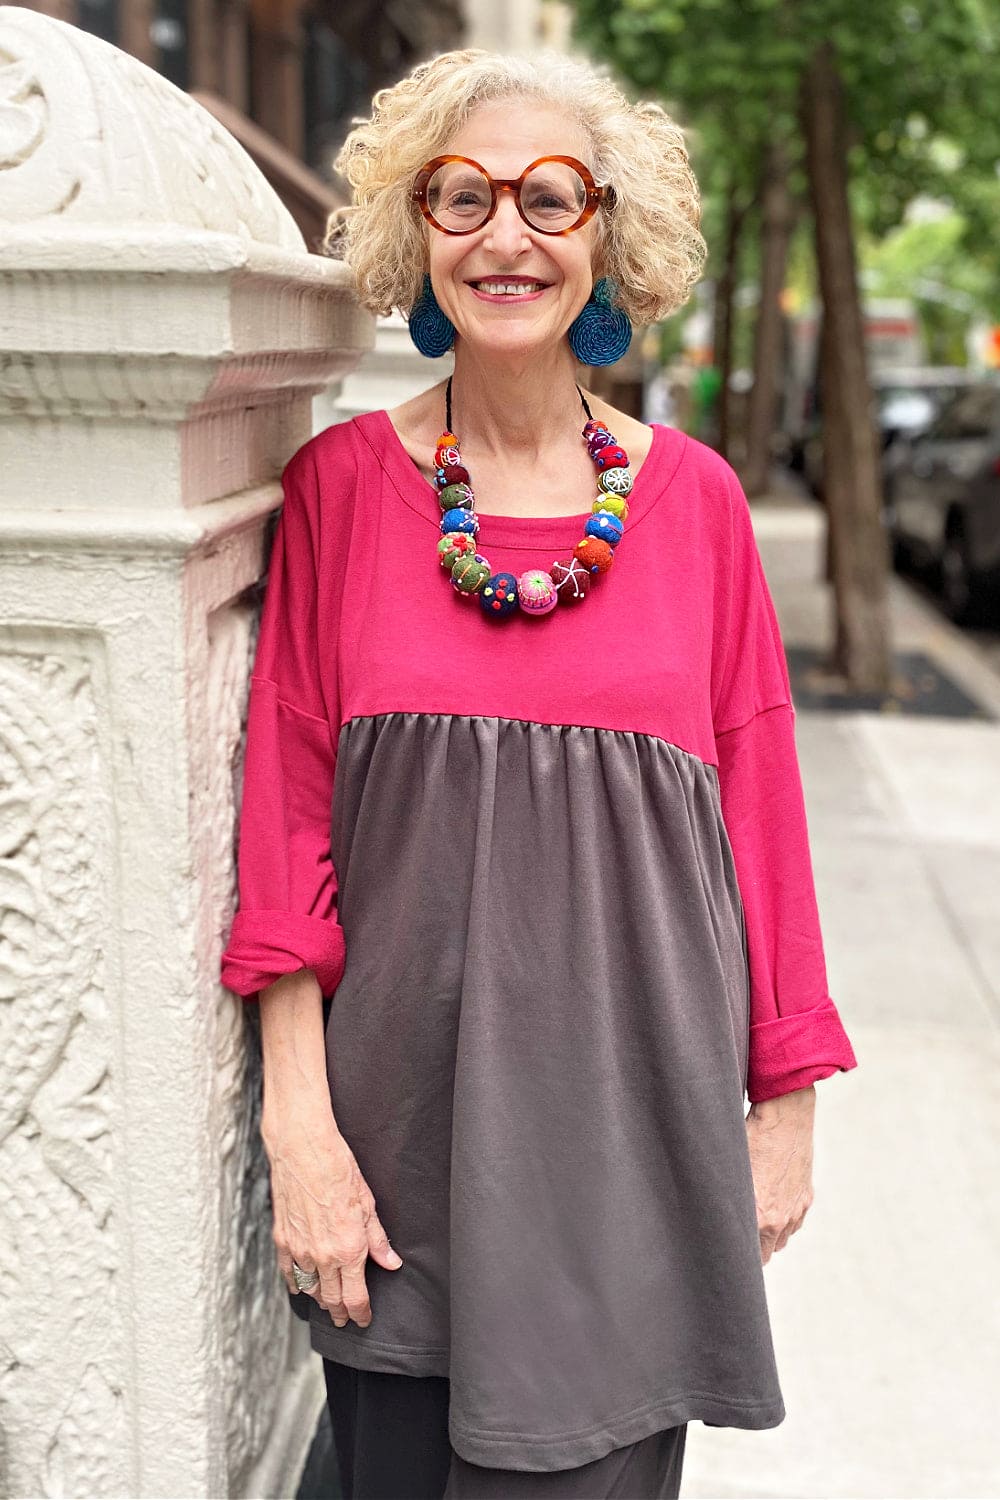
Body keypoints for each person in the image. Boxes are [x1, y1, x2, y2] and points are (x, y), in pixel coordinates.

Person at [220, 47, 859, 1500]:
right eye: (464, 197)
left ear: (607, 236)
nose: (507, 235)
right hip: (400, 1161)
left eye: (550, 200)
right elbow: (287, 826)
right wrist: (298, 1126)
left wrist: (787, 1110)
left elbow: (762, 819)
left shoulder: (695, 509)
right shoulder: (335, 494)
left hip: (631, 1145)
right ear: (416, 234)